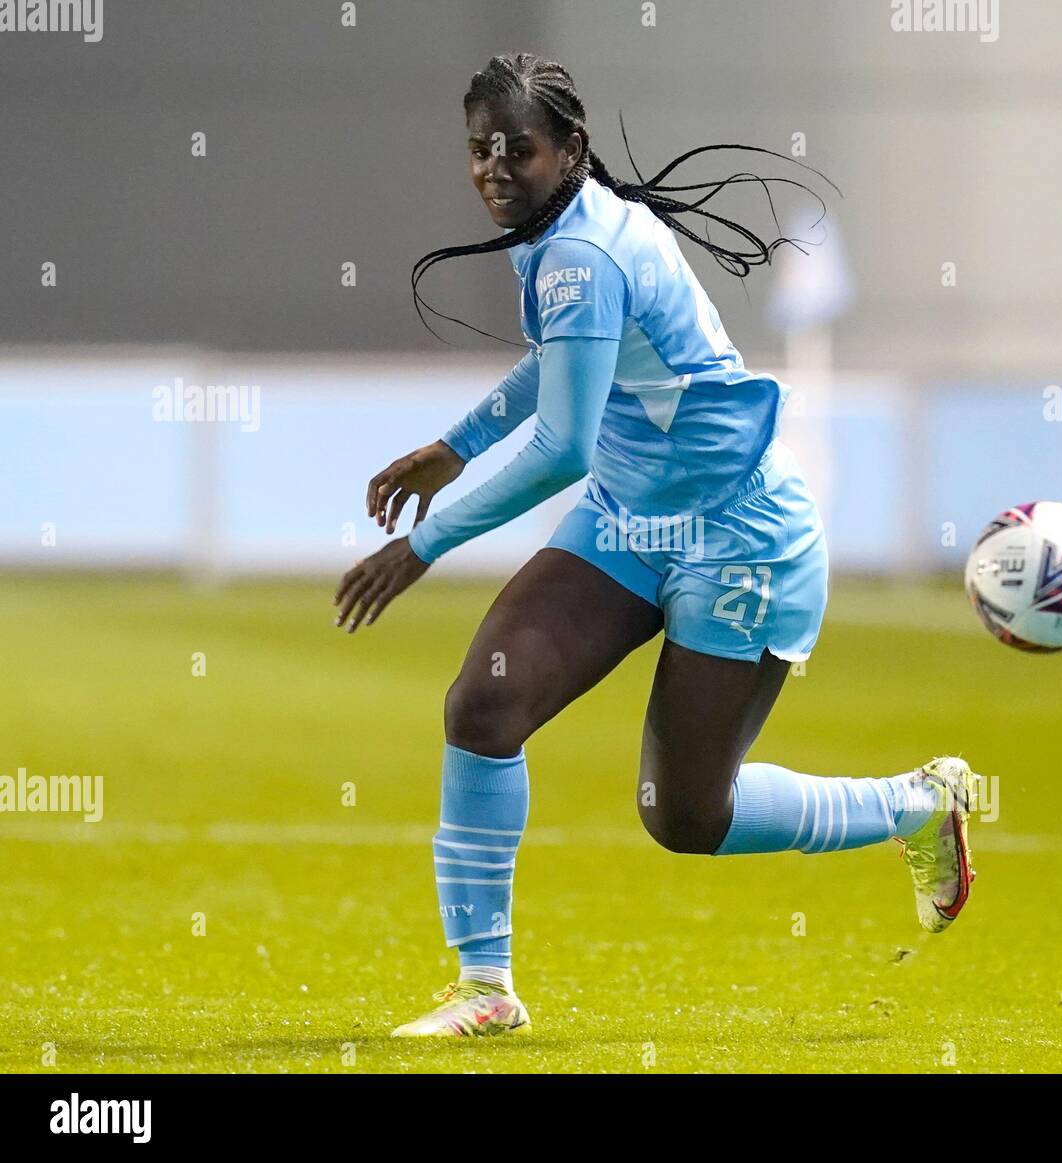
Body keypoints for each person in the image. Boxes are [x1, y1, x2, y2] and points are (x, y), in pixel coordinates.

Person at [332, 53, 980, 1038]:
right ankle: (486, 988)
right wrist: (453, 447)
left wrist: (420, 547)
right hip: (633, 523)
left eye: (518, 148)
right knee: (486, 702)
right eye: (478, 149)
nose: (495, 168)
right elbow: (564, 360)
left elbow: (563, 446)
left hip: (738, 539)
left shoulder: (583, 252)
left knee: (684, 815)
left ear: (571, 150)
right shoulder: (557, 235)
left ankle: (914, 804)